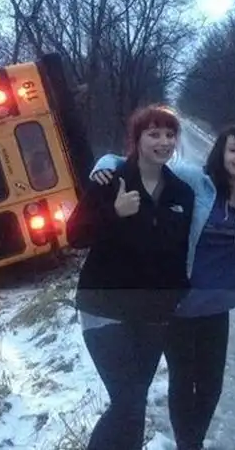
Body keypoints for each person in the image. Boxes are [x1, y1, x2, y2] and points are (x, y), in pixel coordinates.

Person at [91, 124, 235, 450]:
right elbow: (138, 161)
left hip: (217, 305)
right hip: (179, 302)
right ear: (220, 155)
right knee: (183, 379)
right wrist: (105, 165)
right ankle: (188, 445)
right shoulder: (197, 181)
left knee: (211, 385)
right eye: (233, 150)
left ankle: (192, 443)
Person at [65, 105, 195, 450]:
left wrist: (176, 296)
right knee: (128, 401)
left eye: (169, 134)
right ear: (136, 139)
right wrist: (114, 213)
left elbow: (178, 252)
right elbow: (74, 236)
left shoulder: (182, 193)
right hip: (104, 305)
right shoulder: (109, 181)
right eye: (153, 134)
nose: (163, 142)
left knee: (134, 403)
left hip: (153, 313)